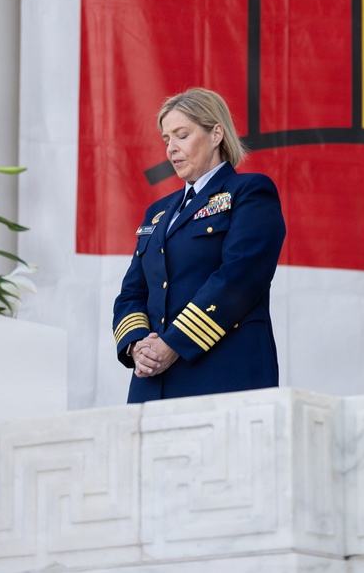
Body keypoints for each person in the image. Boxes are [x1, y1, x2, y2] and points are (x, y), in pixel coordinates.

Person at [112, 88, 286, 401]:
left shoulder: (249, 191)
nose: (171, 149)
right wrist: (138, 345)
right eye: (167, 139)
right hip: (153, 383)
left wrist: (173, 344)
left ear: (216, 133)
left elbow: (240, 276)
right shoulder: (158, 211)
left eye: (182, 135)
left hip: (223, 376)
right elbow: (132, 292)